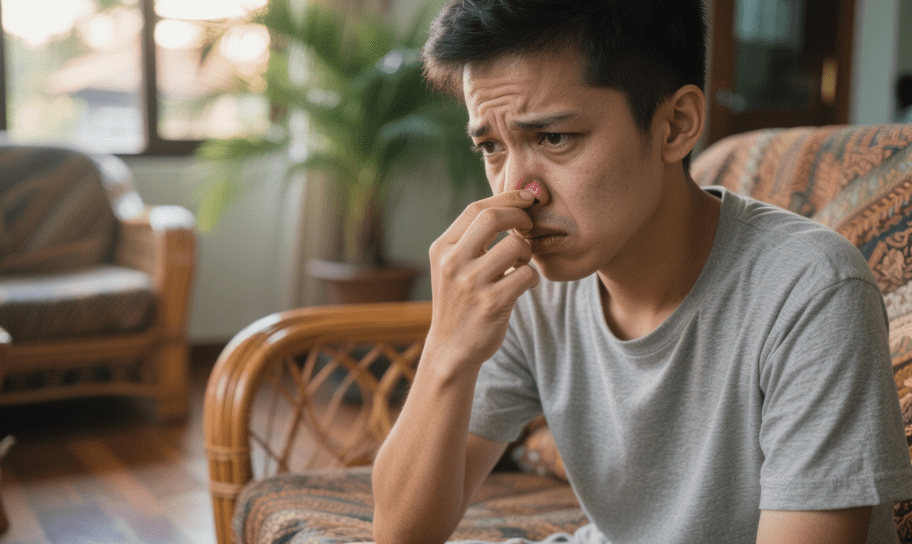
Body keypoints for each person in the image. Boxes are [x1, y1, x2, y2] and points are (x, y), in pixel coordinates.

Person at [371, 1, 912, 543]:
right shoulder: (527, 286)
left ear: (675, 125)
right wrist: (447, 348)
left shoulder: (811, 292)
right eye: (490, 146)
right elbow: (400, 535)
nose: (519, 191)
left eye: (554, 138)